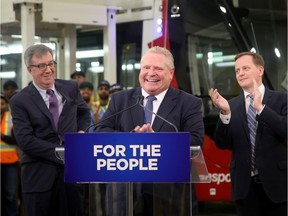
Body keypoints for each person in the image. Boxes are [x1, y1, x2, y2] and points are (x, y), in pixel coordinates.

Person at [95, 46, 204, 216]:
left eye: (158, 68)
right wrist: (131, 139)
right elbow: (100, 131)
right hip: (124, 194)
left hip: (169, 195)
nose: (150, 73)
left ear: (171, 72)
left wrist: (158, 140)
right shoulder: (120, 99)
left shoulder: (189, 103)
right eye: (146, 67)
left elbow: (196, 140)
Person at [9, 44, 91, 216]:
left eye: (51, 63)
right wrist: (62, 152)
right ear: (29, 69)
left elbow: (83, 113)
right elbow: (25, 141)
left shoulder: (70, 88)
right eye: (41, 66)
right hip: (39, 178)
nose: (48, 70)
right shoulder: (19, 101)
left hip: (72, 174)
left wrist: (82, 132)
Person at [209, 51, 287, 216]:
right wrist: (224, 114)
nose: (240, 73)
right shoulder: (231, 105)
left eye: (245, 68)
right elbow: (221, 144)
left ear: (260, 70)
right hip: (244, 189)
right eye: (237, 70)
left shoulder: (282, 100)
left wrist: (261, 108)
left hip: (278, 186)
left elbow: (285, 129)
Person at [1, 93, 19, 216]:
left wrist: (2, 136)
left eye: (2, 104)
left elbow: (17, 140)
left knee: (11, 195)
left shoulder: (11, 118)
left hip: (10, 163)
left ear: (6, 105)